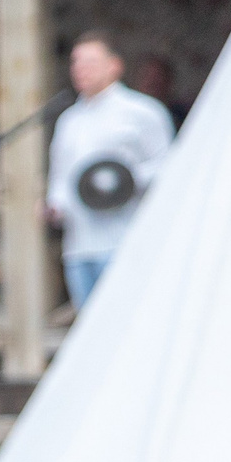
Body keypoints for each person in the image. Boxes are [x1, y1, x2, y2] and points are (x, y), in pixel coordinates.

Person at [44, 31, 175, 307]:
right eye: (76, 63)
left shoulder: (143, 113)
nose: (81, 70)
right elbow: (61, 177)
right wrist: (55, 207)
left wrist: (124, 182)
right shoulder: (69, 121)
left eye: (90, 62)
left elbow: (168, 167)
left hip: (124, 240)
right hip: (80, 246)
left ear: (114, 66)